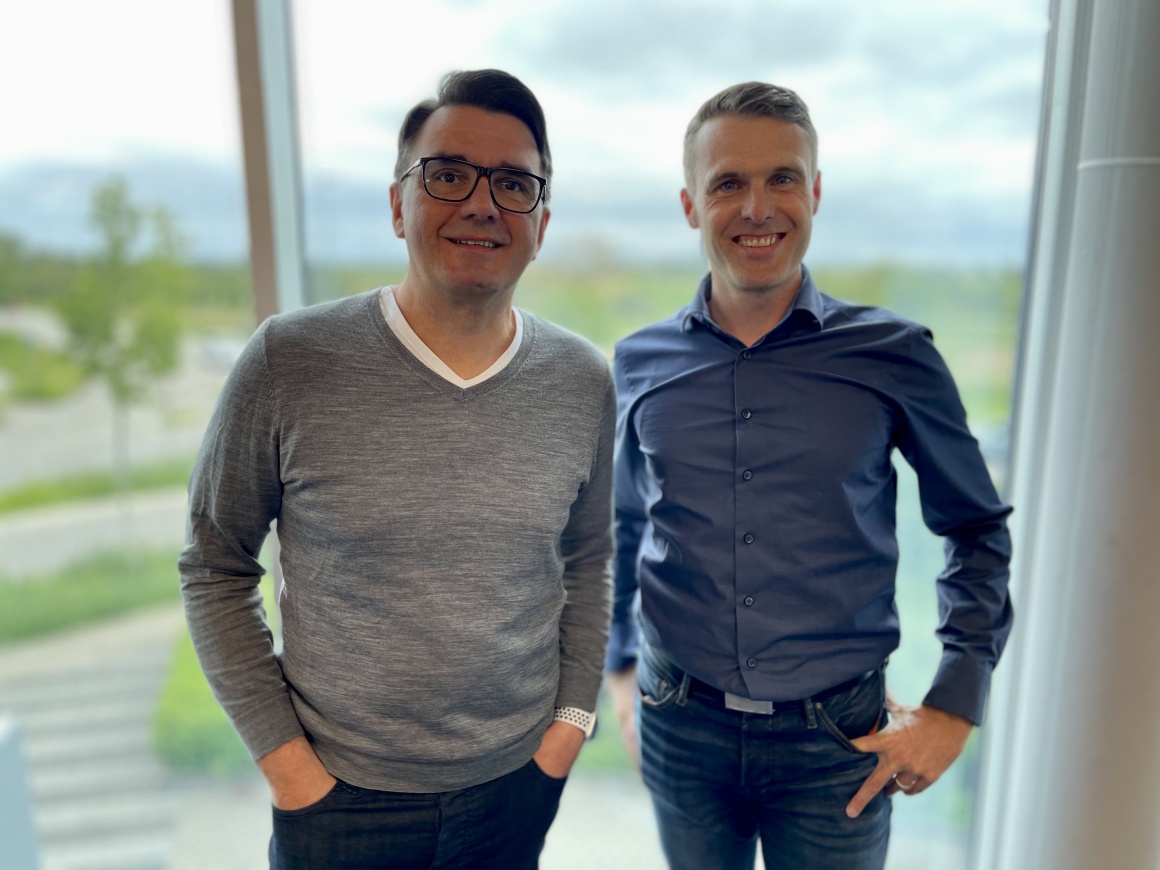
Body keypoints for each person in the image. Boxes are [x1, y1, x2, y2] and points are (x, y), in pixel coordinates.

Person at [179, 69, 614, 870]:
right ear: (397, 203)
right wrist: (289, 767)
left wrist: (569, 729)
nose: (482, 203)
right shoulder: (290, 359)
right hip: (337, 802)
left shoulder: (583, 379)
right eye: (448, 174)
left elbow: (588, 563)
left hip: (515, 786)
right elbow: (214, 566)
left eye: (514, 184)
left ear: (541, 222)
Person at [605, 82, 1013, 870]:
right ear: (691, 205)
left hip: (839, 741)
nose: (757, 207)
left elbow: (974, 529)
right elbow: (625, 524)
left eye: (782, 178)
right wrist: (622, 671)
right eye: (728, 183)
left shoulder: (895, 356)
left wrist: (954, 706)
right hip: (678, 723)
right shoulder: (637, 363)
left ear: (815, 192)